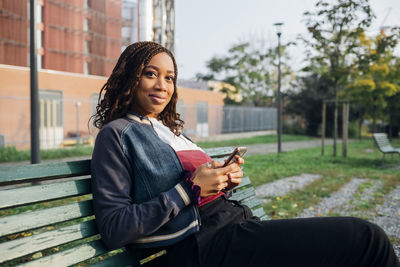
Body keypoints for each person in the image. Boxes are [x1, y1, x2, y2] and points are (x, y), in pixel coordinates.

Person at [91, 41, 399, 267]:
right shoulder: (116, 135)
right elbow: (115, 227)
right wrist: (188, 191)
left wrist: (224, 179)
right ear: (131, 78)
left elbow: (197, 183)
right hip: (204, 246)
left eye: (170, 77)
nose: (162, 85)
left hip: (235, 226)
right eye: (150, 74)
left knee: (356, 246)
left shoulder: (171, 130)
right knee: (366, 239)